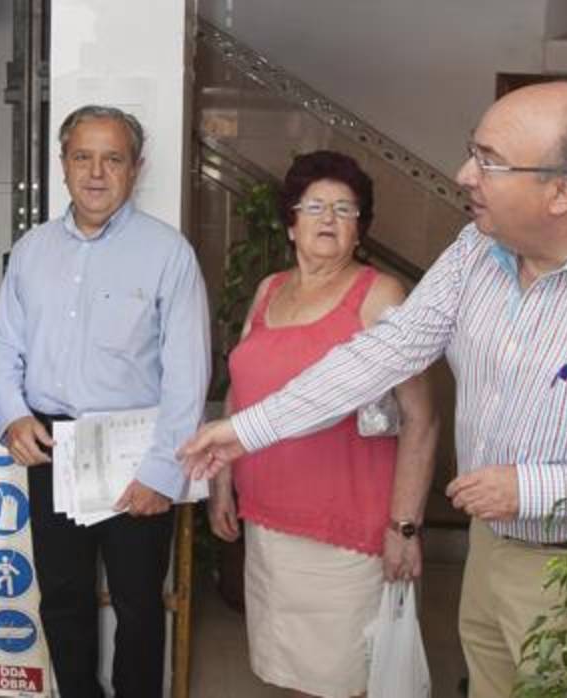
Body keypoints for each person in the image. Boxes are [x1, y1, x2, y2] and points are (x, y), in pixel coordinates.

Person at [180, 80, 567, 698]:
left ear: (563, 191)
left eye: (489, 161)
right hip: (491, 547)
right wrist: (244, 431)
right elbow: (386, 350)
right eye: (471, 151)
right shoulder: (479, 249)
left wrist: (535, 487)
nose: (462, 174)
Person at [0, 105, 210, 698]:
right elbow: (2, 345)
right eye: (82, 156)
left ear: (136, 169)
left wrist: (163, 471)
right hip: (52, 445)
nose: (96, 172)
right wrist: (12, 415)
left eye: (113, 158)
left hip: (138, 448)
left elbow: (188, 373)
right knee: (62, 596)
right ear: (63, 165)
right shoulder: (31, 251)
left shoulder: (169, 253)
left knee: (138, 604)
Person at [206, 150, 437, 697]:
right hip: (268, 523)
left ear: (360, 229)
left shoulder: (379, 295)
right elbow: (241, 387)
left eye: (344, 208)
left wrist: (404, 526)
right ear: (291, 222)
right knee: (288, 671)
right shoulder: (267, 291)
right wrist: (221, 482)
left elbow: (422, 419)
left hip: (346, 531)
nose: (328, 218)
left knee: (344, 677)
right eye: (314, 206)